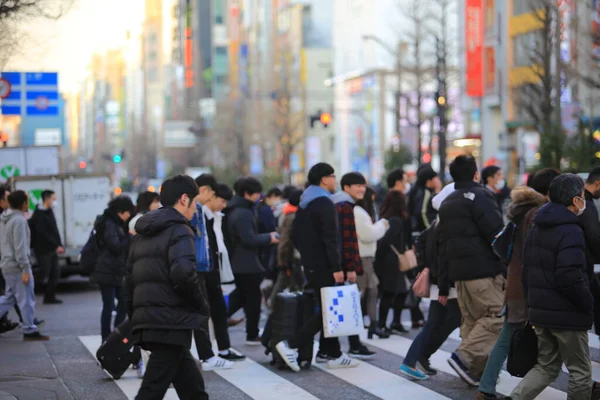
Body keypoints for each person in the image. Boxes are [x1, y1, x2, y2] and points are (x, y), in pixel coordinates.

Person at [508, 174, 594, 400]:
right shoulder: (571, 230)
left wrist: (533, 305)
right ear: (575, 200)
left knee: (546, 366)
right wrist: (587, 303)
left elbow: (527, 270)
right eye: (583, 195)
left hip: (541, 312)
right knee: (580, 371)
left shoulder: (539, 225)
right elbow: (569, 275)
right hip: (567, 313)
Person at [126, 174, 209, 400]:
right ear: (184, 199)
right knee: (152, 389)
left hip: (154, 320)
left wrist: (134, 316)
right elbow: (184, 274)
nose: (196, 208)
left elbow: (129, 280)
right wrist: (200, 305)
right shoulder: (180, 230)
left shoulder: (142, 233)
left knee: (192, 388)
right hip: (170, 322)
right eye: (195, 201)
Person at [275, 163, 359, 371]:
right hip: (325, 265)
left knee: (327, 308)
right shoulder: (323, 202)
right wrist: (337, 267)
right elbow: (331, 239)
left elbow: (294, 235)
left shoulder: (305, 201)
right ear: (324, 179)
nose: (335, 180)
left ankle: (330, 352)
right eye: (333, 176)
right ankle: (290, 344)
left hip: (311, 263)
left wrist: (308, 254)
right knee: (327, 311)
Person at [475, 183, 549, 399]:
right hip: (527, 287)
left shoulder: (519, 215)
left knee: (506, 338)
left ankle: (486, 388)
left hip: (515, 285)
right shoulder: (534, 216)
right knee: (554, 342)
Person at [437, 155, 505, 386]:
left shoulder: (447, 203)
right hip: (483, 271)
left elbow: (443, 245)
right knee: (497, 315)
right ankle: (465, 358)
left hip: (459, 274)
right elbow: (496, 233)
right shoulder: (482, 195)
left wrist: (444, 281)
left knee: (473, 322)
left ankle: (474, 372)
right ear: (476, 174)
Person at [399, 183, 461, 380]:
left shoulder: (438, 222)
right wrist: (441, 283)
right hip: (445, 284)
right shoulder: (447, 225)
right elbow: (443, 256)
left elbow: (420, 243)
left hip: (440, 282)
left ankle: (418, 359)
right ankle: (415, 360)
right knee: (444, 322)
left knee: (437, 323)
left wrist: (426, 265)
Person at [224, 177, 279, 345]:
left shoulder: (236, 209)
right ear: (247, 194)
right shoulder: (243, 212)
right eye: (256, 193)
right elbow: (248, 239)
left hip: (241, 262)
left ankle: (217, 319)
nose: (259, 197)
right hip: (246, 263)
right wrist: (269, 238)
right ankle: (252, 333)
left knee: (241, 297)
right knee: (253, 299)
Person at [331, 172, 376, 359]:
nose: (362, 190)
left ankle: (353, 344)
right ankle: (350, 345)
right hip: (343, 265)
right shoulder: (345, 206)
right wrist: (350, 267)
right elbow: (347, 240)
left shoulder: (337, 203)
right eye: (358, 186)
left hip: (339, 264)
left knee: (345, 305)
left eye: (364, 186)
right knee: (345, 305)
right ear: (346, 187)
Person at [0, 190, 49, 340]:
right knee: (26, 299)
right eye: (27, 201)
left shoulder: (4, 219)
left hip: (7, 264)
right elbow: (20, 247)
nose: (29, 204)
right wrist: (26, 268)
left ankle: (29, 328)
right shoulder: (19, 221)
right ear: (23, 204)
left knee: (9, 298)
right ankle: (29, 329)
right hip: (17, 266)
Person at [91, 196, 134, 341]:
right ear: (121, 211)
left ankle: (116, 334)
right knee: (109, 306)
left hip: (114, 271)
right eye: (128, 212)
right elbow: (115, 246)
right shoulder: (110, 224)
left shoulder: (114, 223)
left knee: (122, 302)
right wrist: (129, 237)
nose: (129, 216)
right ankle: (107, 338)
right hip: (106, 270)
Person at [375, 169, 412, 334]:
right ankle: (383, 324)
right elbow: (386, 242)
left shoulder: (388, 218)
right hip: (391, 260)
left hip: (390, 259)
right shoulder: (396, 221)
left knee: (400, 291)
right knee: (389, 293)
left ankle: (393, 322)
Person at [354, 186, 389, 339]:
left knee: (371, 291)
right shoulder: (359, 213)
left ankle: (371, 325)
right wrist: (382, 225)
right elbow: (368, 234)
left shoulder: (359, 212)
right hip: (363, 257)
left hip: (365, 257)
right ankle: (363, 327)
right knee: (365, 292)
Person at [29, 190, 64, 304]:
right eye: (53, 199)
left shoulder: (49, 211)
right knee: (44, 272)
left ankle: (50, 297)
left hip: (52, 248)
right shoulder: (38, 214)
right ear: (47, 199)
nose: (55, 202)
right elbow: (43, 233)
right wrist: (55, 245)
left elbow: (54, 230)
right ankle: (28, 292)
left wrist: (59, 244)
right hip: (43, 249)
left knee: (55, 272)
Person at [271, 187, 304, 299]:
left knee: (294, 284)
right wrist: (284, 259)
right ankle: (273, 309)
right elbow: (285, 239)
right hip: (290, 256)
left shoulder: (289, 213)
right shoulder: (292, 216)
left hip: (290, 255)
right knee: (284, 283)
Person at [0, 186, 20, 333]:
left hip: (4, 262)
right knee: (10, 295)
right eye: (7, 198)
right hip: (5, 262)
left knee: (9, 294)